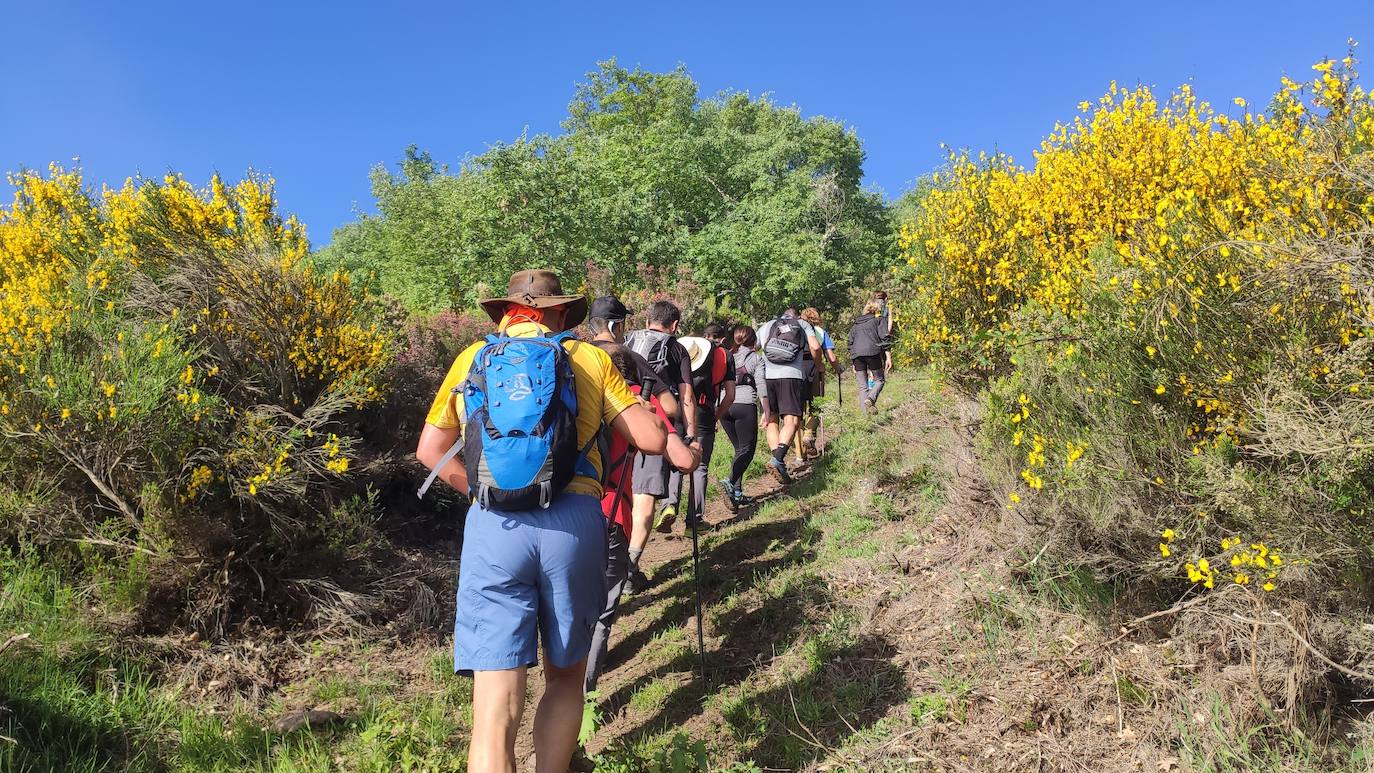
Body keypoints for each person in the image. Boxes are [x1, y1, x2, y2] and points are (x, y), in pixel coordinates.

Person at [415, 270, 673, 773]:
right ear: (560, 312)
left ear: (508, 312)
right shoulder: (589, 357)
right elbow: (651, 440)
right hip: (572, 523)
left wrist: (485, 492)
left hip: (494, 527)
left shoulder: (473, 359)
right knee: (564, 678)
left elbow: (430, 450)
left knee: (492, 708)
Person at [581, 335, 697, 697]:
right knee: (601, 612)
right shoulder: (634, 398)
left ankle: (559, 689)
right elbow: (680, 459)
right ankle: (582, 697)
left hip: (561, 515)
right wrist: (694, 451)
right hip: (610, 512)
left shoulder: (573, 391)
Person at [584, 296, 695, 598]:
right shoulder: (627, 356)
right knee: (642, 498)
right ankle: (630, 566)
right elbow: (671, 405)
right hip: (620, 465)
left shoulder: (572, 356)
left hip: (569, 488)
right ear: (617, 325)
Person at [625, 301, 699, 537]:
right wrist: (690, 434)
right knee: (647, 491)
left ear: (647, 321)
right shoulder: (677, 349)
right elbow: (687, 395)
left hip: (622, 417)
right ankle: (633, 560)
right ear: (674, 325)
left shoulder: (627, 341)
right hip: (659, 420)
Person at [662, 324, 734, 531]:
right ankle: (694, 521)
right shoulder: (723, 355)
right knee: (699, 466)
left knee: (676, 459)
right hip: (703, 412)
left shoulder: (674, 354)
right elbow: (730, 395)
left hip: (676, 409)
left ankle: (669, 505)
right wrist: (715, 417)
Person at [756, 307, 822, 484]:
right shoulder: (802, 324)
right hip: (791, 376)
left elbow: (752, 348)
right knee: (791, 420)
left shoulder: (768, 325)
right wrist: (819, 365)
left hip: (768, 378)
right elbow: (815, 347)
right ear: (796, 316)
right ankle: (777, 459)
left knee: (772, 420)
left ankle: (779, 462)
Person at [719, 324, 768, 510]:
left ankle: (737, 493)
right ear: (753, 341)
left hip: (724, 407)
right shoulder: (756, 358)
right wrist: (766, 411)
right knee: (747, 449)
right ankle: (729, 482)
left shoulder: (726, 356)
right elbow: (761, 385)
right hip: (745, 405)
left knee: (739, 449)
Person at [797, 308, 840, 460]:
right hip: (815, 372)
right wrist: (838, 369)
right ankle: (809, 435)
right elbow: (831, 356)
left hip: (795, 372)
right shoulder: (820, 332)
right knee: (816, 405)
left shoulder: (795, 330)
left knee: (797, 412)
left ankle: (799, 454)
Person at [848, 298, 890, 414]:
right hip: (872, 352)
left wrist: (853, 360)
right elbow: (884, 338)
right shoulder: (878, 320)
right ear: (877, 309)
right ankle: (870, 399)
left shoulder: (856, 324)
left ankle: (865, 417)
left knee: (863, 386)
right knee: (879, 380)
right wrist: (888, 356)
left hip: (857, 355)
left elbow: (850, 341)